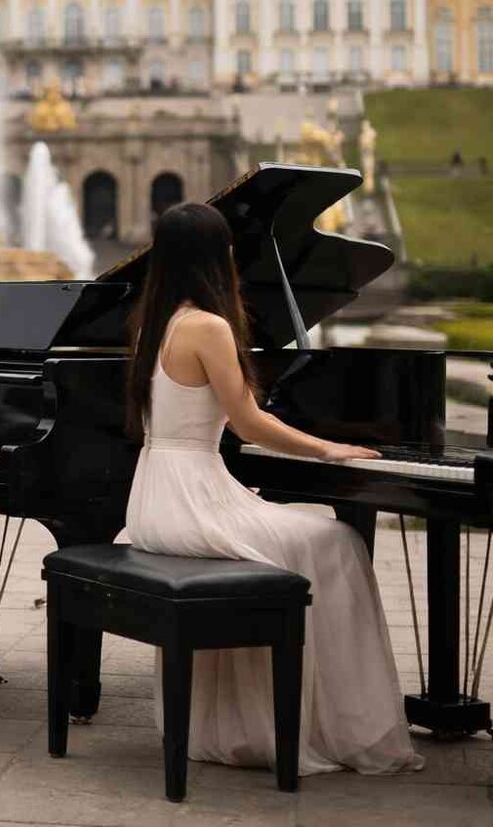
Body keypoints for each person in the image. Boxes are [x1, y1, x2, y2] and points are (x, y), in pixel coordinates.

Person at [123, 202, 421, 776]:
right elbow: (249, 424)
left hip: (154, 498)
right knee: (337, 543)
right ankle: (331, 724)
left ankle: (243, 719)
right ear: (218, 256)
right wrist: (327, 448)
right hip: (191, 500)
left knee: (295, 537)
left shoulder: (151, 323)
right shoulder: (209, 327)